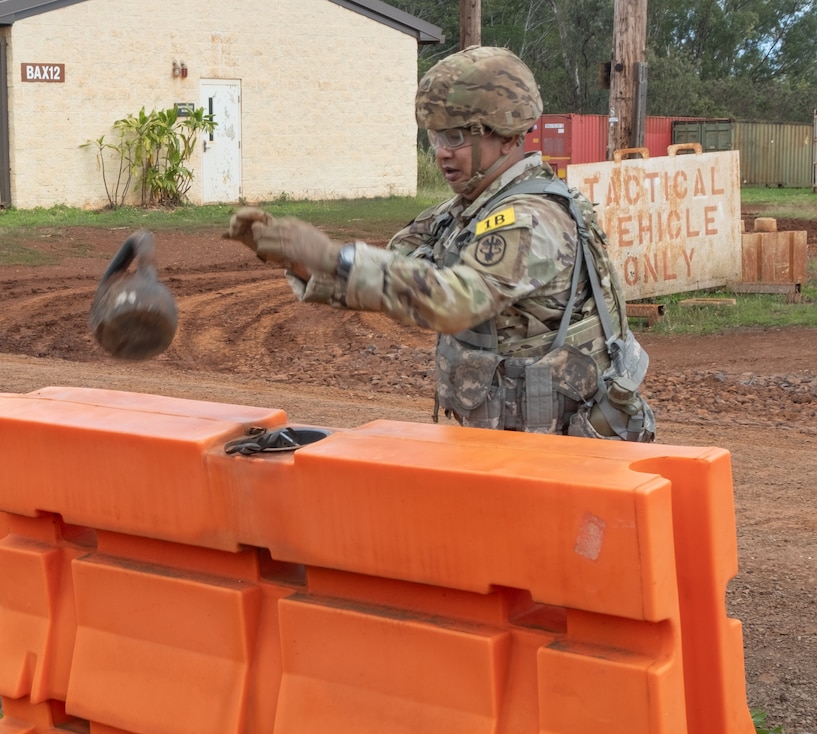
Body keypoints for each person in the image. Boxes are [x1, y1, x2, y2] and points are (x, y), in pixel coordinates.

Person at [227, 46, 655, 440]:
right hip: (509, 442)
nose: (442, 153)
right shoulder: (462, 211)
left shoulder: (531, 218)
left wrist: (330, 255)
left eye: (456, 137)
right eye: (435, 137)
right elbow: (394, 273)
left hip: (564, 451)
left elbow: (455, 300)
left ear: (506, 136)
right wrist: (299, 259)